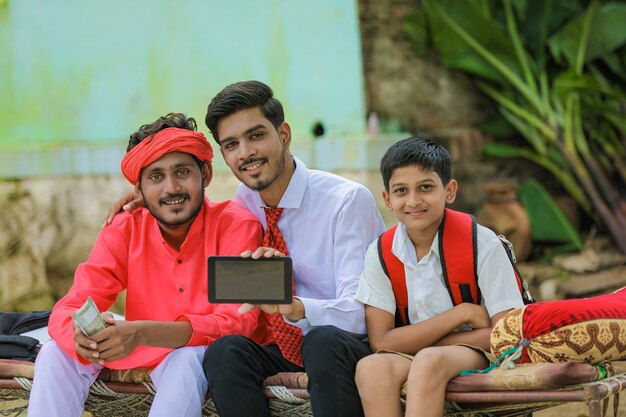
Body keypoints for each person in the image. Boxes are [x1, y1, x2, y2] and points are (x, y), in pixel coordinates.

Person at [28, 113, 272, 417]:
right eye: (155, 177)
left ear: (206, 174)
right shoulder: (125, 227)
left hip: (197, 356)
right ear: (139, 190)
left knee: (188, 359)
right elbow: (72, 304)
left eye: (182, 172)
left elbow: (239, 322)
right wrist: (80, 337)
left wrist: (142, 333)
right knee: (54, 353)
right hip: (134, 349)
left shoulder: (237, 226)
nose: (171, 188)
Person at [354, 137, 525, 417]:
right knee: (371, 367)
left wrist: (424, 345)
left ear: (449, 191)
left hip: (480, 351)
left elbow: (506, 333)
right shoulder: (381, 252)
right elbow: (382, 342)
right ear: (387, 198)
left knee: (429, 360)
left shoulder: (481, 243)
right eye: (401, 190)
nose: (413, 201)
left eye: (425, 187)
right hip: (417, 353)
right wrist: (461, 314)